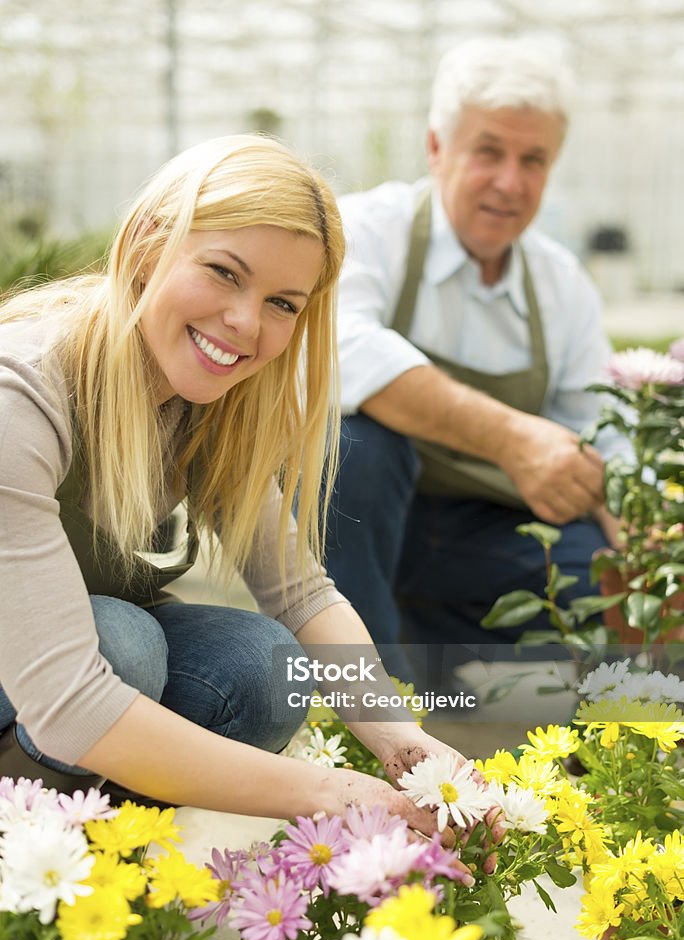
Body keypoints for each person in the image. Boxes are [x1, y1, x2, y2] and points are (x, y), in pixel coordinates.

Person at [0, 134, 488, 842]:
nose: (245, 324)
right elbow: (73, 701)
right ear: (145, 244)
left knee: (261, 663)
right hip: (49, 686)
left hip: (49, 687)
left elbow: (300, 593)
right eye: (224, 272)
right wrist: (332, 793)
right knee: (125, 644)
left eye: (283, 304)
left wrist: (407, 749)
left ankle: (111, 869)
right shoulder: (23, 394)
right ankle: (33, 875)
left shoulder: (209, 406)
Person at [325, 37, 622, 687]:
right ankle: (366, 702)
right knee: (352, 446)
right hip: (363, 533)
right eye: (488, 151)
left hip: (481, 537)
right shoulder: (367, 231)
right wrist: (513, 437)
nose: (510, 183)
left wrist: (634, 515)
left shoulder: (560, 284)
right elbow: (339, 345)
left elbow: (602, 426)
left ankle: (433, 648)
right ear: (436, 148)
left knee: (607, 579)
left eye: (533, 159)